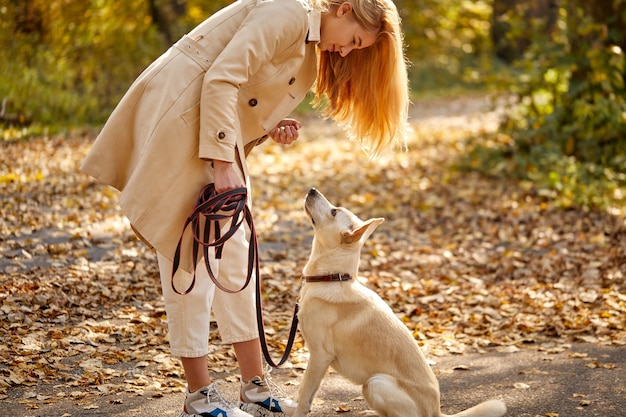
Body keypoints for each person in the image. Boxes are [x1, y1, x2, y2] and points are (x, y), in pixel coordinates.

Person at [81, 0, 409, 416]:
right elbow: (220, 77)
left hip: (215, 135)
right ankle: (198, 397)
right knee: (189, 261)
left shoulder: (310, 47)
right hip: (186, 123)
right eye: (354, 41)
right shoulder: (289, 10)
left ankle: (253, 386)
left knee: (238, 261)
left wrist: (268, 125)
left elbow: (245, 91)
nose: (345, 52)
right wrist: (221, 163)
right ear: (343, 8)